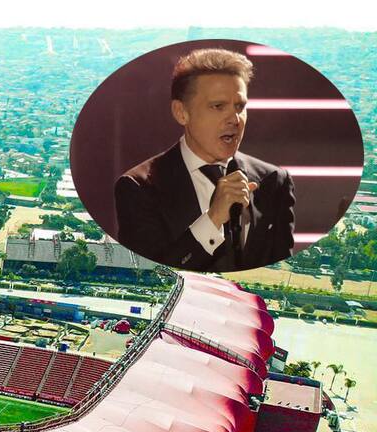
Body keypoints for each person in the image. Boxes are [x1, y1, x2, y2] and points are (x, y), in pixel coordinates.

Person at [115, 48, 295, 271]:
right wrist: (213, 219)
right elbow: (150, 274)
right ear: (181, 112)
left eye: (240, 106)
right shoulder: (139, 187)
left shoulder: (274, 181)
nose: (235, 119)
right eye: (218, 106)